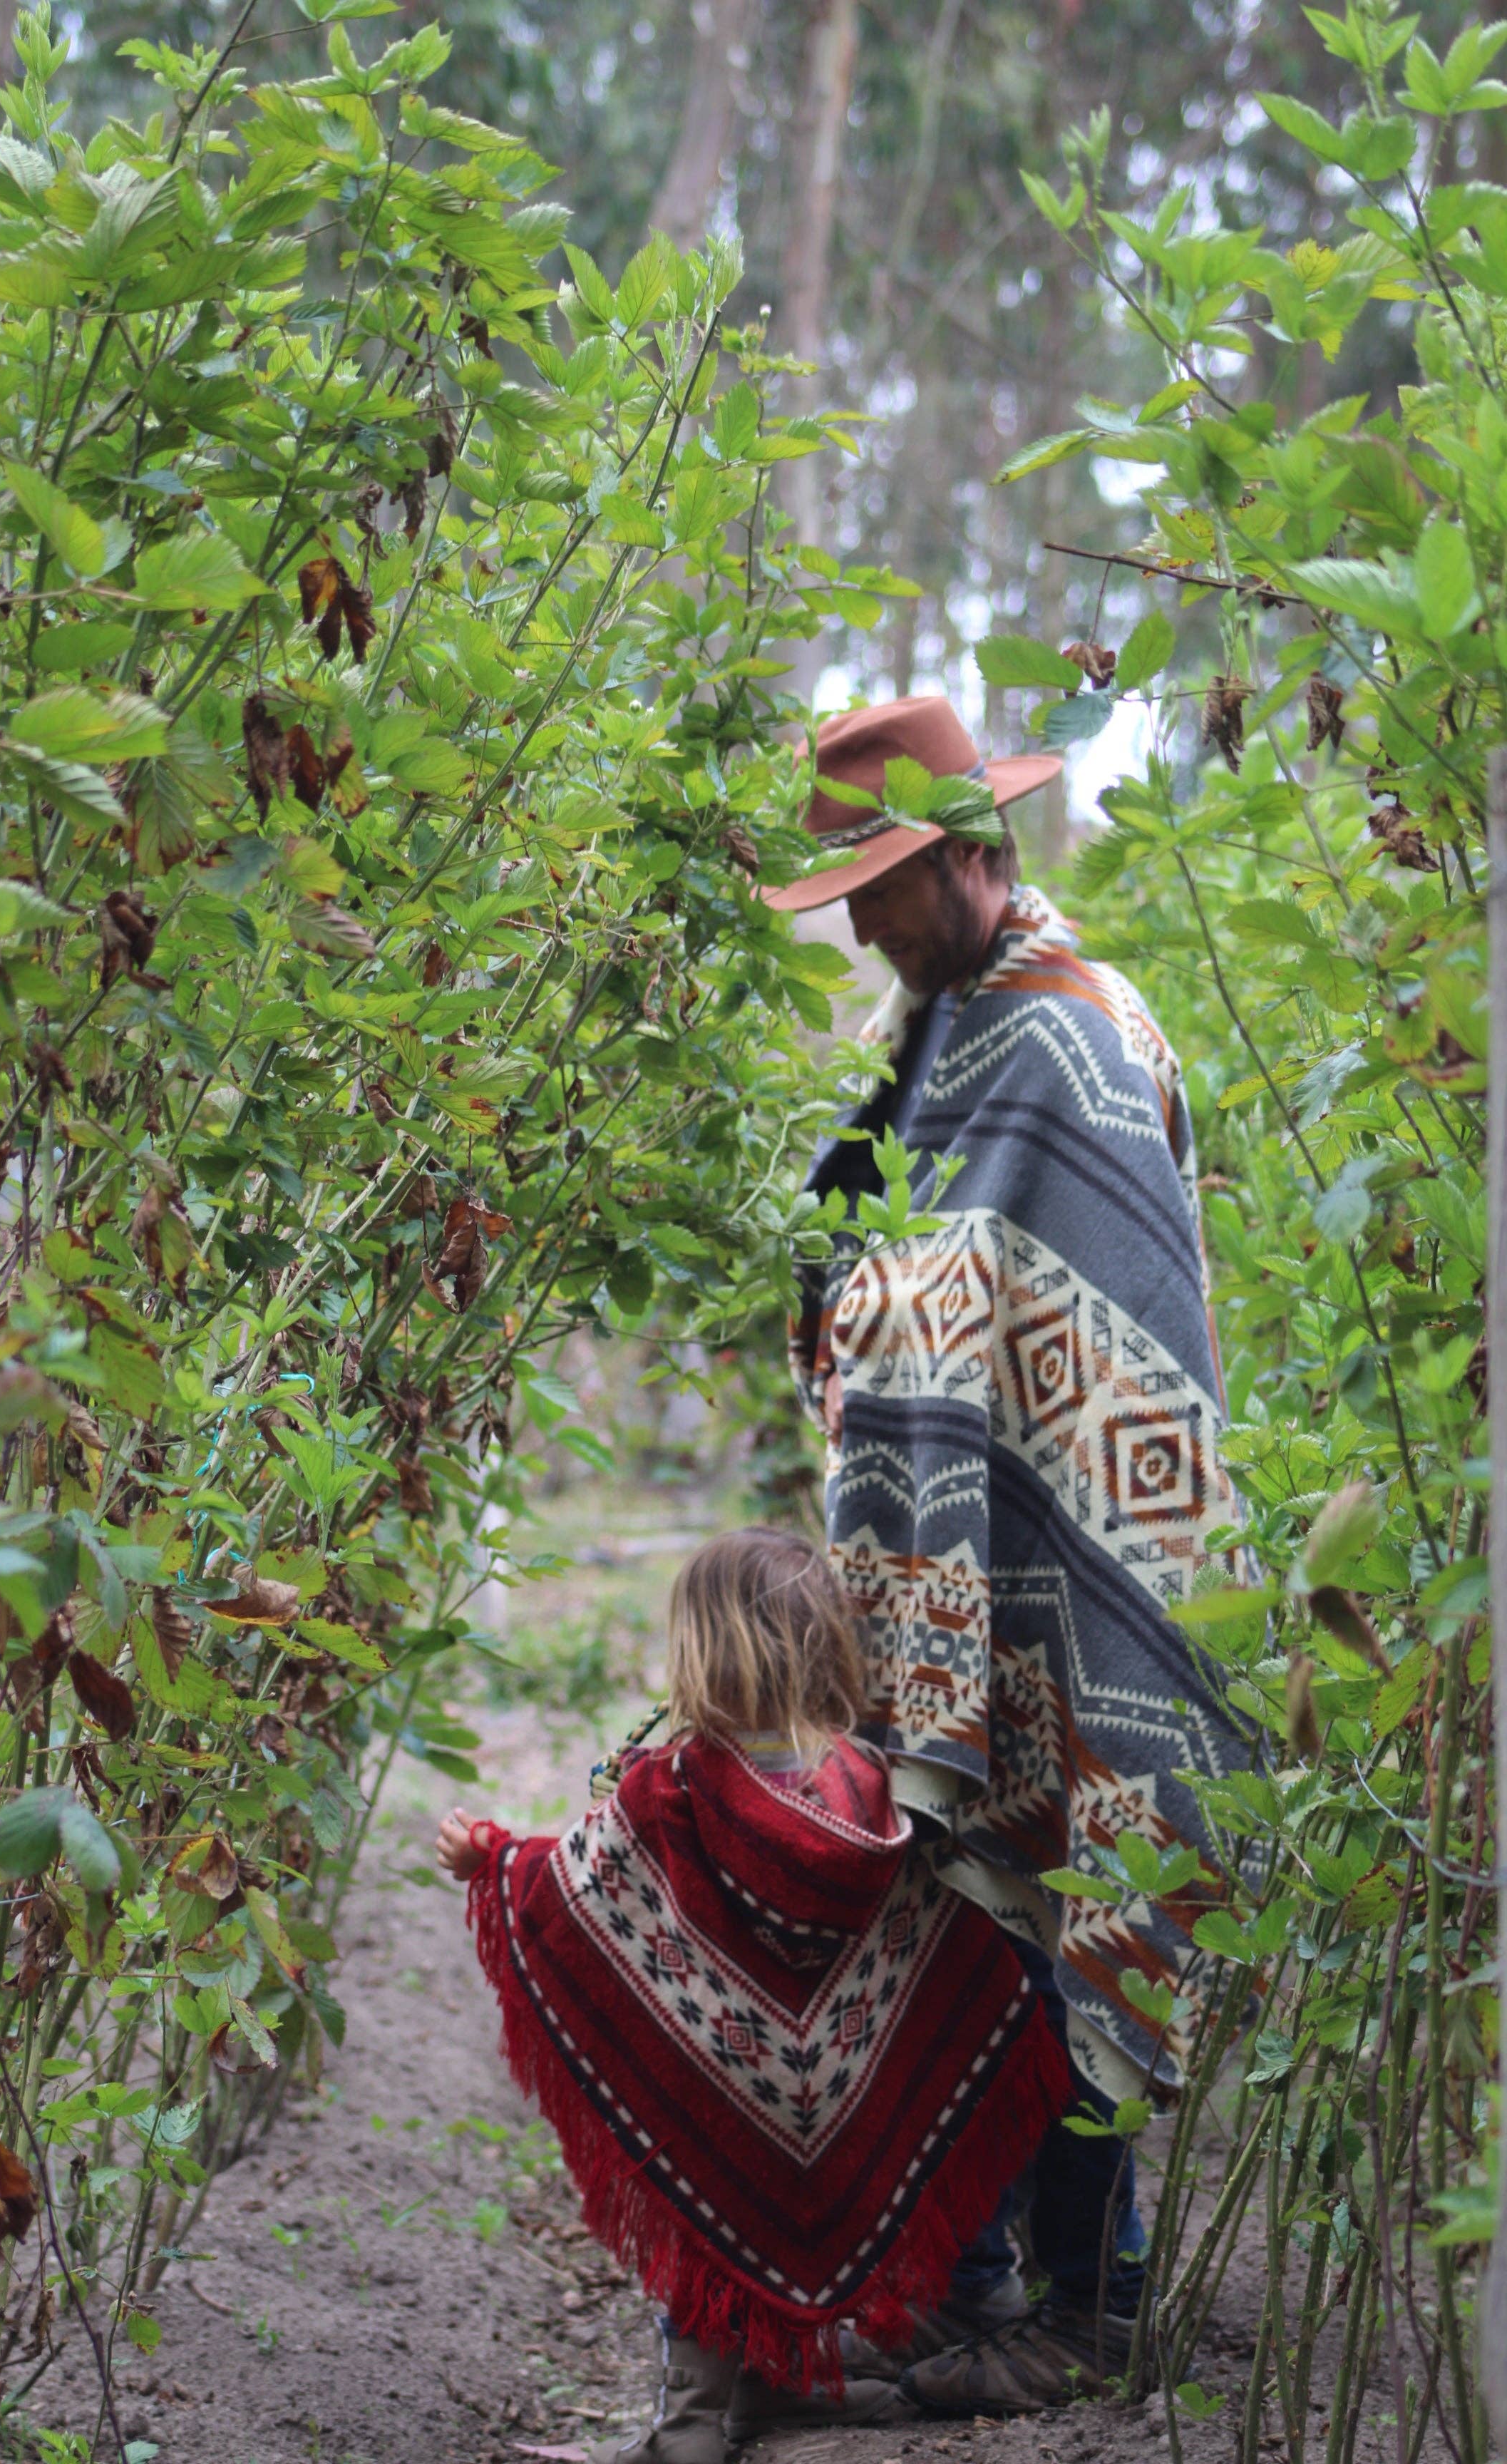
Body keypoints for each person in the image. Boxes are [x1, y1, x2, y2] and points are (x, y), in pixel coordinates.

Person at [767, 695, 1245, 2417]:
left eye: (886, 884)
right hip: (1001, 1531)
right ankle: (977, 2285)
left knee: (1073, 1904)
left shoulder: (1067, 1037)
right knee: (981, 1908)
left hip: (1093, 1531)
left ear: (976, 858)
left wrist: (871, 1292)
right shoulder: (949, 1028)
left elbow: (978, 1273)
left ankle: (1090, 2301)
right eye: (851, 890)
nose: (864, 921)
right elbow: (886, 1253)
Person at [438, 1526, 1069, 2462]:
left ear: (700, 1649)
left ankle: (687, 2434)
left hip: (716, 2059)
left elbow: (580, 1884)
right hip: (843, 2084)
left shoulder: (673, 1784)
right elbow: (934, 1924)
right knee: (771, 2206)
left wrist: (490, 1854)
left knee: (705, 2218)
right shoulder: (870, 1780)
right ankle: (780, 2388)